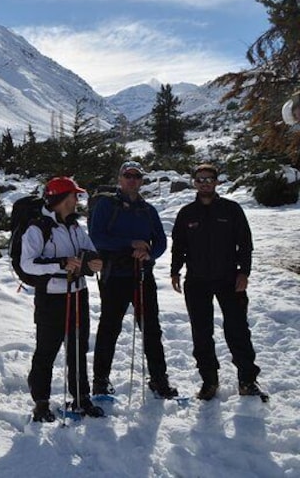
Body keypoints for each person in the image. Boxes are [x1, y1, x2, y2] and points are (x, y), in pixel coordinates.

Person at [170, 163, 265, 400]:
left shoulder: (231, 209)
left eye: (209, 178)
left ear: (216, 181)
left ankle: (247, 379)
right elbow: (178, 246)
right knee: (201, 332)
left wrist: (244, 272)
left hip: (229, 279)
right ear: (194, 182)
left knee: (237, 329)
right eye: (200, 179)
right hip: (197, 281)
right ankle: (209, 381)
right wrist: (175, 272)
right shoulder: (186, 213)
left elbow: (245, 244)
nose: (204, 183)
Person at [89, 161, 178, 399]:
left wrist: (148, 252)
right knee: (109, 327)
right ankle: (100, 380)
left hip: (141, 276)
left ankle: (159, 379)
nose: (132, 180)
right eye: (128, 175)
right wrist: (131, 245)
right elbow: (97, 238)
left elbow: (160, 242)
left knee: (151, 328)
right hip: (114, 276)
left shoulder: (148, 210)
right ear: (120, 178)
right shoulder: (106, 205)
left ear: (141, 180)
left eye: (136, 176)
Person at [21, 176, 105, 422]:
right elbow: (28, 264)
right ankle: (41, 402)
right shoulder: (38, 228)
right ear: (59, 199)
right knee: (46, 350)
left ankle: (81, 398)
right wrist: (60, 264)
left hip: (78, 293)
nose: (76, 201)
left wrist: (94, 262)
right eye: (72, 196)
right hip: (51, 298)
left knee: (78, 348)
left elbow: (88, 251)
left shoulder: (75, 226)